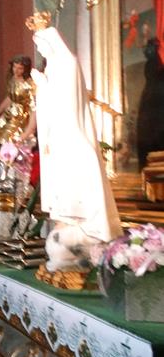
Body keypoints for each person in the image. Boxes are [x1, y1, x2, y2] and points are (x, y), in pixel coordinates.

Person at [31, 27, 122, 270]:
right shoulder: (53, 67)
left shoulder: (67, 63)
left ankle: (82, 226)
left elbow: (67, 101)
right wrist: (43, 85)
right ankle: (69, 223)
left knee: (77, 178)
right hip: (58, 133)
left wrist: (44, 86)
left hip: (68, 129)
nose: (39, 49)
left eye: (40, 44)